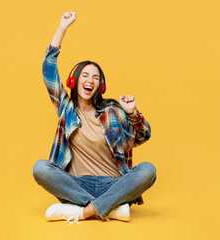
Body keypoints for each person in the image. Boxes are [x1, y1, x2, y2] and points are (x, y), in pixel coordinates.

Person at [33, 11, 156, 225]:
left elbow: (144, 135)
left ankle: (83, 211)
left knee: (148, 170)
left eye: (96, 77)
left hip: (114, 184)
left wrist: (131, 113)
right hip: (77, 185)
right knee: (40, 168)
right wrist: (62, 28)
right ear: (74, 80)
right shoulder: (66, 108)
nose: (90, 80)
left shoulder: (113, 110)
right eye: (85, 75)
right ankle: (110, 208)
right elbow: (48, 71)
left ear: (100, 86)